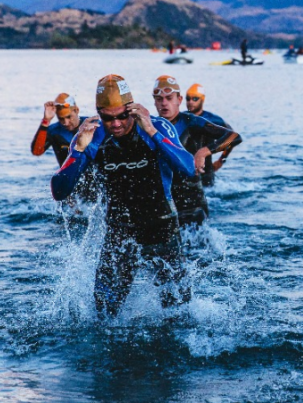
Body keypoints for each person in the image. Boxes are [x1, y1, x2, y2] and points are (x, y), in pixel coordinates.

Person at [51, 74, 195, 318]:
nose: (115, 124)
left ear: (132, 109)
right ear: (98, 113)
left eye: (121, 116)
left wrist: (151, 132)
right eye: (108, 118)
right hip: (120, 232)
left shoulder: (156, 126)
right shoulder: (91, 135)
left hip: (161, 226)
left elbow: (188, 168)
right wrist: (78, 150)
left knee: (179, 311)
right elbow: (59, 190)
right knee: (103, 313)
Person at [152, 75, 242, 226]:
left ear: (179, 100)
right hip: (166, 203)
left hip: (193, 202)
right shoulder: (151, 127)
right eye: (159, 99)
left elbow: (234, 136)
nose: (164, 103)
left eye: (169, 98)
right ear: (154, 102)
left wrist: (204, 152)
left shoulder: (192, 121)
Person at [32, 93, 96, 203]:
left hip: (93, 183)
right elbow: (37, 151)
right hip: (69, 186)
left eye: (69, 117)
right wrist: (46, 120)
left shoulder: (91, 126)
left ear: (76, 110)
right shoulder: (54, 131)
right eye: (61, 119)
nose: (66, 122)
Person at [184, 83, 240, 186]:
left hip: (206, 171)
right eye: (188, 98)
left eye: (195, 99)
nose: (191, 102)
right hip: (186, 170)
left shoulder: (213, 120)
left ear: (202, 99)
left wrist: (221, 160)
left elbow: (233, 138)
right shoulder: (182, 118)